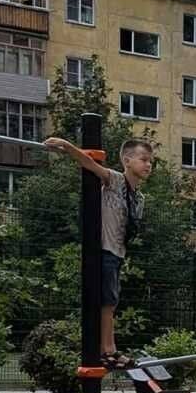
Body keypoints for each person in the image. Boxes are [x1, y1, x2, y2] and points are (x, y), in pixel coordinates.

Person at [42, 136, 152, 369]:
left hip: (117, 253)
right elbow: (89, 164)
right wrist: (67, 146)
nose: (148, 164)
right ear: (127, 161)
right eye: (143, 159)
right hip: (105, 250)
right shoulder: (116, 180)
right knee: (108, 303)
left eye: (150, 161)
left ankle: (108, 349)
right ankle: (108, 350)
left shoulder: (138, 197)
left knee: (111, 302)